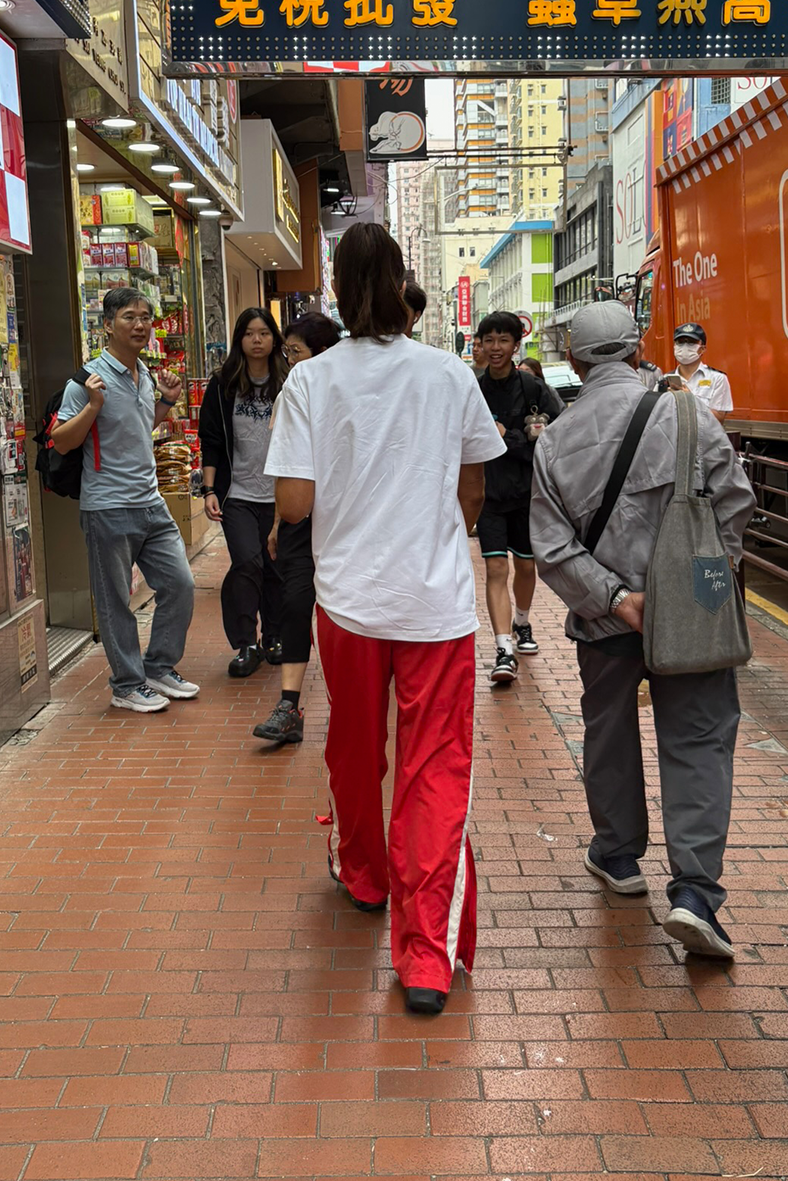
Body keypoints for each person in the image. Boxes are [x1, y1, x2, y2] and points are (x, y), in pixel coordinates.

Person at [265, 222, 505, 1015]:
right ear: (403, 284)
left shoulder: (309, 381)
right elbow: (473, 495)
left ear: (336, 287)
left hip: (350, 602)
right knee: (435, 769)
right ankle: (425, 955)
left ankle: (365, 875)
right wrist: (436, 534)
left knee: (354, 745)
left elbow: (295, 505)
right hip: (434, 601)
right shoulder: (449, 374)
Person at [531, 301, 755, 959]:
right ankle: (694, 895)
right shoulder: (689, 412)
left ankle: (620, 856)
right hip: (693, 616)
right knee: (701, 736)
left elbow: (551, 546)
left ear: (573, 360)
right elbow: (735, 500)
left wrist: (617, 597)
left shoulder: (556, 440)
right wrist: (699, 585)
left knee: (607, 729)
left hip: (606, 619)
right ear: (638, 350)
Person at [52, 288, 197, 713]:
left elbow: (138, 425)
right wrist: (94, 405)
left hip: (150, 502)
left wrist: (167, 401)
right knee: (116, 601)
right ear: (108, 324)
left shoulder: (144, 374)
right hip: (108, 507)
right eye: (130, 317)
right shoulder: (87, 381)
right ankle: (126, 684)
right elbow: (62, 442)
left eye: (146, 317)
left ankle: (157, 666)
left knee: (180, 585)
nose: (141, 325)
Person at [253, 313, 341, 745]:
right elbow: (286, 473)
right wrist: (276, 524)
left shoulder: (341, 388)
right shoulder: (296, 389)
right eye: (286, 352)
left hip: (341, 522)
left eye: (295, 352)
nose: (288, 361)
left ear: (322, 352)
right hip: (298, 521)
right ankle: (289, 705)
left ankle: (354, 703)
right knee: (294, 602)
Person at [199, 308, 288, 677]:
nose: (256, 340)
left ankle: (274, 638)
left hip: (280, 495)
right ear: (239, 339)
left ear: (274, 339)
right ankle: (245, 643)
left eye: (264, 333)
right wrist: (208, 489)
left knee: (275, 569)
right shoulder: (223, 384)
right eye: (249, 333)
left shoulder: (289, 381)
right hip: (237, 494)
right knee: (247, 563)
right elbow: (212, 441)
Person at [476, 311, 563, 684]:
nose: (495, 348)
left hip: (528, 497)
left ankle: (522, 623)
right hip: (489, 496)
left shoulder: (533, 390)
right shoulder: (474, 390)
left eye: (503, 340)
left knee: (526, 567)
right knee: (496, 569)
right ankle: (503, 648)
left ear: (515, 345)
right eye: (489, 340)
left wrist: (505, 437)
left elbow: (555, 439)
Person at [670, 322, 732, 424]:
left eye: (691, 342)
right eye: (680, 342)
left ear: (702, 349)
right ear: (674, 347)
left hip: (704, 439)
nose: (685, 346)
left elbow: (718, 420)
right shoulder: (664, 380)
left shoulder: (717, 379)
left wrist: (690, 400)